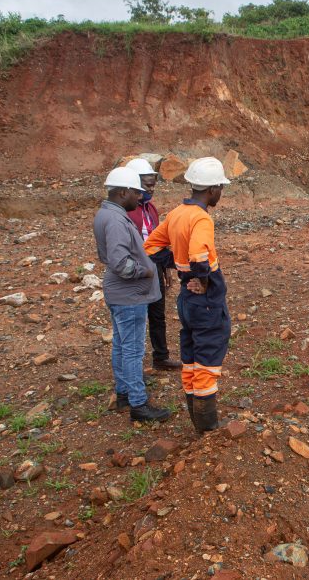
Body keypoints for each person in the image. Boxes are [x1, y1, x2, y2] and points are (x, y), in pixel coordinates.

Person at [144, 157, 231, 432]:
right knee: (207, 356)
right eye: (220, 188)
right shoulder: (202, 218)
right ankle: (207, 425)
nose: (220, 193)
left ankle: (197, 417)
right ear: (213, 189)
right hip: (205, 302)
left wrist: (179, 267)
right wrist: (201, 279)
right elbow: (199, 255)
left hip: (186, 300)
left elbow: (151, 247)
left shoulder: (177, 213)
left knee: (191, 356)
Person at [92, 167, 172, 423]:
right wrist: (145, 272)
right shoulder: (116, 220)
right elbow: (120, 262)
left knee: (122, 345)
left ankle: (124, 393)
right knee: (133, 350)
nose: (139, 199)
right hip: (129, 294)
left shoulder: (107, 214)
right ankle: (139, 404)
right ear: (123, 192)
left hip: (121, 293)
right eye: (135, 194)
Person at [124, 158, 181, 372]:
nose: (151, 188)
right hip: (136, 269)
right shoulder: (127, 211)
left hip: (155, 265)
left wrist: (165, 269)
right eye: (147, 184)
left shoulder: (151, 208)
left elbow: (160, 240)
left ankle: (161, 356)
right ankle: (133, 366)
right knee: (137, 316)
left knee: (157, 314)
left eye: (153, 183)